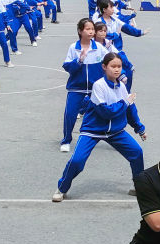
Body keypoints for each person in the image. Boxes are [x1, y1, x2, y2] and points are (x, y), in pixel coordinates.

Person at [53, 53, 146, 201]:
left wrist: (139, 127)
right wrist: (125, 102)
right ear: (104, 67)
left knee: (137, 152)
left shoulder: (121, 87)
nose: (117, 70)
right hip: (92, 130)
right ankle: (62, 188)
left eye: (119, 67)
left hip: (115, 131)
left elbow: (130, 110)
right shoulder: (99, 86)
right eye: (113, 66)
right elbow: (105, 112)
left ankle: (139, 186)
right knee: (77, 161)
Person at [60, 19, 107, 152]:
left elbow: (112, 60)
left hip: (95, 89)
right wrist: (79, 60)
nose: (91, 31)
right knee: (70, 114)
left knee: (105, 111)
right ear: (80, 31)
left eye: (92, 29)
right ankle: (66, 140)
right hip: (76, 88)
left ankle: (113, 136)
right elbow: (68, 67)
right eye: (87, 29)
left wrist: (122, 74)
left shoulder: (99, 48)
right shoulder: (73, 48)